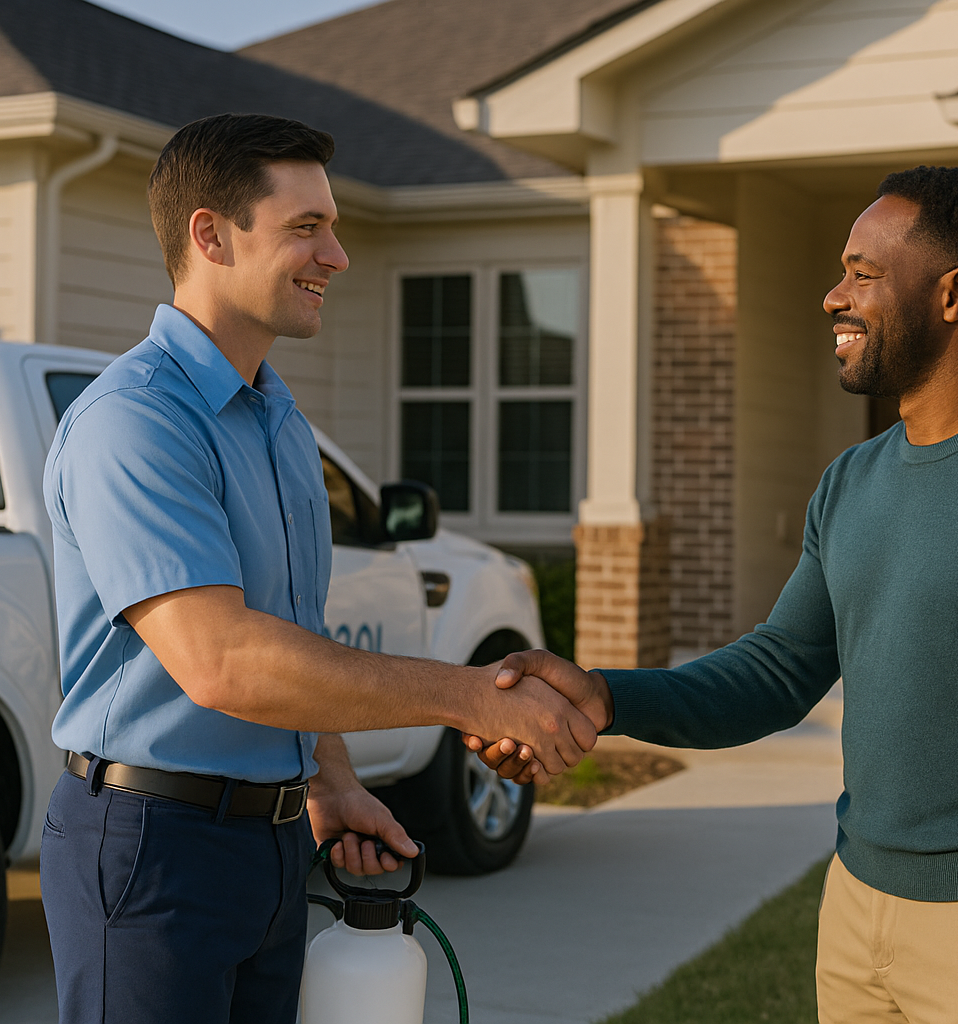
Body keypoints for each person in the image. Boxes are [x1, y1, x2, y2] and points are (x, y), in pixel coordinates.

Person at [468, 166, 958, 1023]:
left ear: (956, 293)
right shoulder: (851, 482)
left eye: (864, 273)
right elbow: (779, 669)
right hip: (857, 912)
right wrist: (603, 695)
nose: (834, 296)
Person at [40, 113, 598, 1024]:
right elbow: (222, 660)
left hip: (273, 845)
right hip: (147, 845)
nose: (336, 255)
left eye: (332, 227)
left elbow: (290, 634)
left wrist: (331, 780)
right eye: (306, 227)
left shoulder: (278, 420)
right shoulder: (133, 423)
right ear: (210, 235)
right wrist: (466, 695)